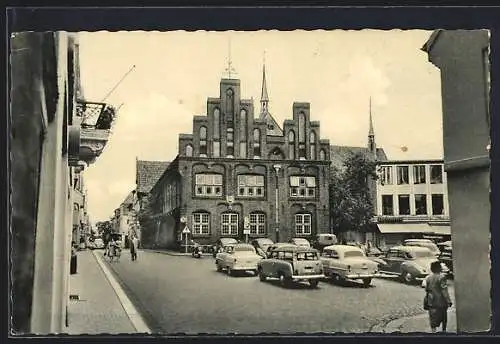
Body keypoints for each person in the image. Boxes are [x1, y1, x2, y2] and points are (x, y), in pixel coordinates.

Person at [424, 261, 453, 332]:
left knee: (432, 318)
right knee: (443, 317)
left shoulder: (428, 277)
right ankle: (443, 331)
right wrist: (448, 301)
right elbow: (444, 290)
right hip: (441, 301)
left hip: (431, 301)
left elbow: (426, 289)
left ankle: (433, 332)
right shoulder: (442, 277)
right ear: (438, 268)